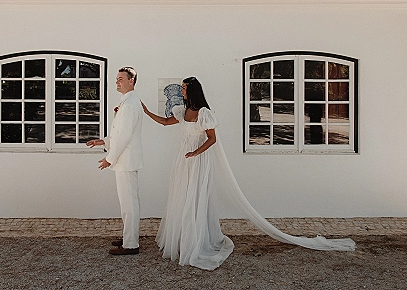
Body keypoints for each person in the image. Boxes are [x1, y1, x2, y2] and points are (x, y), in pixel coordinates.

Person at [142, 76, 355, 270]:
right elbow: (164, 121)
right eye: (181, 88)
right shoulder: (182, 111)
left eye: (184, 88)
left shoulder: (204, 113)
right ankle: (183, 239)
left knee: (195, 197)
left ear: (193, 90)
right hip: (183, 160)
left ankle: (197, 241)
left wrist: (195, 152)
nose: (182, 91)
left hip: (197, 160)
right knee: (182, 195)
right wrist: (146, 112)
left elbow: (212, 139)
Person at [87, 67, 143, 255]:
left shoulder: (130, 104)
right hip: (124, 159)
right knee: (127, 203)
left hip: (125, 160)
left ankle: (131, 244)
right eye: (116, 79)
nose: (117, 82)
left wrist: (109, 159)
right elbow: (119, 134)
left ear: (131, 81)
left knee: (129, 203)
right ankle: (129, 237)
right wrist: (103, 141)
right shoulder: (127, 102)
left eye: (121, 79)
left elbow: (125, 136)